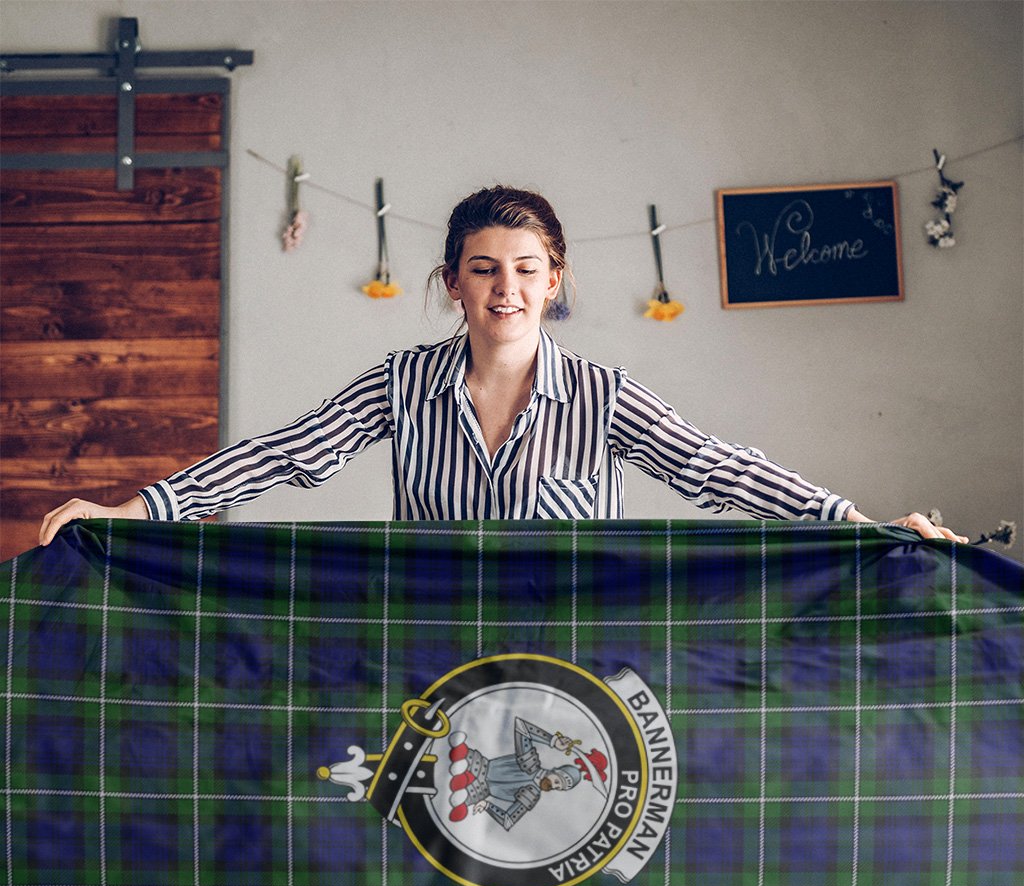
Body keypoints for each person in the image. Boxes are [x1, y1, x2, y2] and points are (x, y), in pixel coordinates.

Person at [38, 186, 967, 545]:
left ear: (555, 281)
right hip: (431, 660)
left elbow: (718, 467)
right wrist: (132, 511)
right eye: (484, 269)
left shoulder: (604, 397)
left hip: (579, 667)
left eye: (527, 271)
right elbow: (283, 455)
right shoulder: (401, 383)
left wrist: (859, 524)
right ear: (453, 283)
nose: (506, 289)